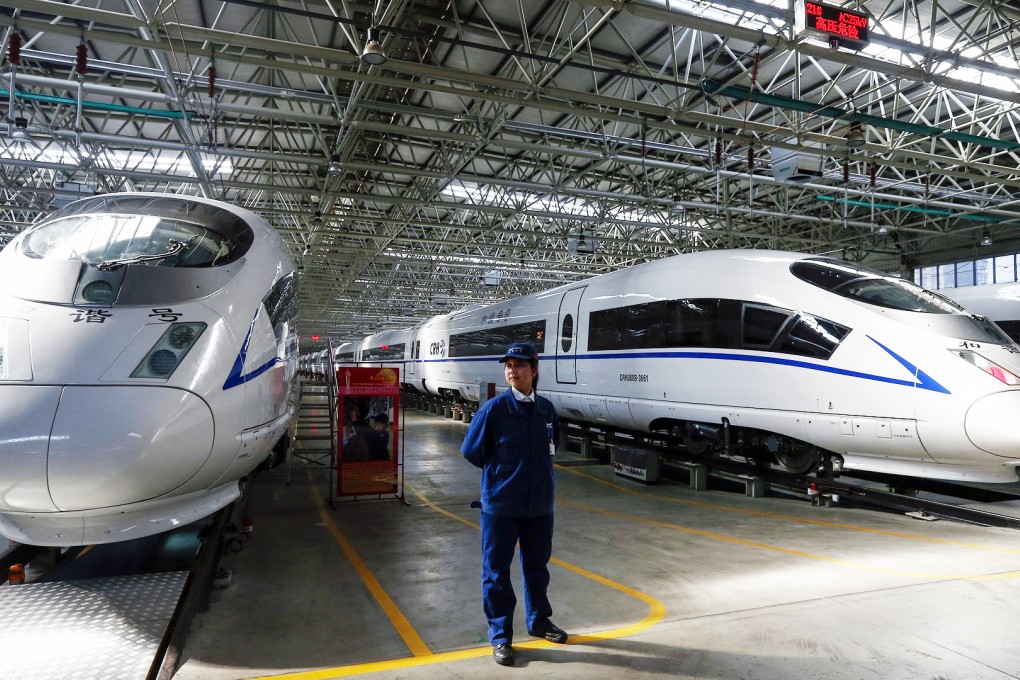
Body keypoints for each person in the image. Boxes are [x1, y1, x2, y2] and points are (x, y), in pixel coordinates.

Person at [461, 341, 566, 667]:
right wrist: (502, 476)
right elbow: (471, 450)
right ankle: (501, 637)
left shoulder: (546, 410)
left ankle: (538, 621)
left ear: (533, 371)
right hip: (501, 508)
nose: (512, 369)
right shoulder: (493, 410)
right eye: (508, 364)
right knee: (496, 574)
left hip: (539, 508)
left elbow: (554, 446)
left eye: (519, 364)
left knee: (537, 569)